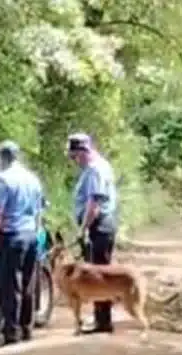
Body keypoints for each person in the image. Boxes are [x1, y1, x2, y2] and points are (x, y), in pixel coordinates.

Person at [0, 140, 43, 345]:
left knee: (9, 285)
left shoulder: (2, 180)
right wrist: (37, 233)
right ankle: (27, 328)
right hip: (31, 235)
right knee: (27, 284)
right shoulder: (32, 179)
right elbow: (38, 211)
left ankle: (11, 331)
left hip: (11, 236)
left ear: (3, 157)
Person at [67, 132, 118, 334]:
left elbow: (94, 204)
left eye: (74, 156)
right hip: (100, 225)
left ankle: (103, 321)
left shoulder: (95, 170)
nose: (74, 161)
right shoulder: (98, 167)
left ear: (83, 151)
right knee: (99, 273)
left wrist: (83, 230)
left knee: (99, 275)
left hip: (99, 226)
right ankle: (100, 317)